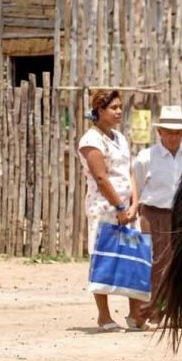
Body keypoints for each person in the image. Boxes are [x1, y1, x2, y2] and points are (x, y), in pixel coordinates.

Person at [77, 89, 149, 332]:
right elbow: (100, 176)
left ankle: (135, 315)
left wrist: (134, 204)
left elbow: (129, 172)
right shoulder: (91, 140)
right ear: (99, 110)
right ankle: (104, 316)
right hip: (104, 208)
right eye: (114, 107)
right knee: (105, 259)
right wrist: (118, 206)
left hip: (127, 209)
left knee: (133, 258)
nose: (119, 111)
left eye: (120, 107)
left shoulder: (120, 137)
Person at [130, 106, 182, 323]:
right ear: (160, 133)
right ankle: (154, 311)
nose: (173, 137)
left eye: (177, 132)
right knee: (157, 263)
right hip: (153, 214)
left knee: (181, 263)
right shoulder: (146, 157)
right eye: (169, 132)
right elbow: (135, 185)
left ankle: (178, 312)